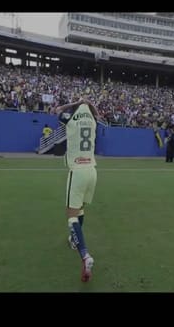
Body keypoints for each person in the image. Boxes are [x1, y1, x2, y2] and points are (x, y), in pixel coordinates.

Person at [55, 97, 99, 282]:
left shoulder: (70, 117)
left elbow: (56, 110)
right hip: (92, 171)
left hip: (77, 171)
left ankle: (85, 255)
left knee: (71, 214)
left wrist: (73, 104)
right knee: (80, 207)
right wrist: (89, 103)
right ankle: (74, 241)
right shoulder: (93, 119)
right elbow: (97, 113)